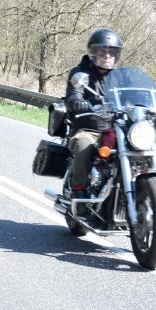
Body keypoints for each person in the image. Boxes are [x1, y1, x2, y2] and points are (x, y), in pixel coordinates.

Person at [64, 28, 123, 203]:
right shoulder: (81, 73)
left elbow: (135, 96)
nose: (107, 56)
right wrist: (78, 102)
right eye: (102, 52)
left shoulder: (120, 77)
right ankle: (79, 191)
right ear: (93, 53)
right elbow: (74, 94)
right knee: (84, 146)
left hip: (114, 129)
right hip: (88, 128)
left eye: (111, 53)